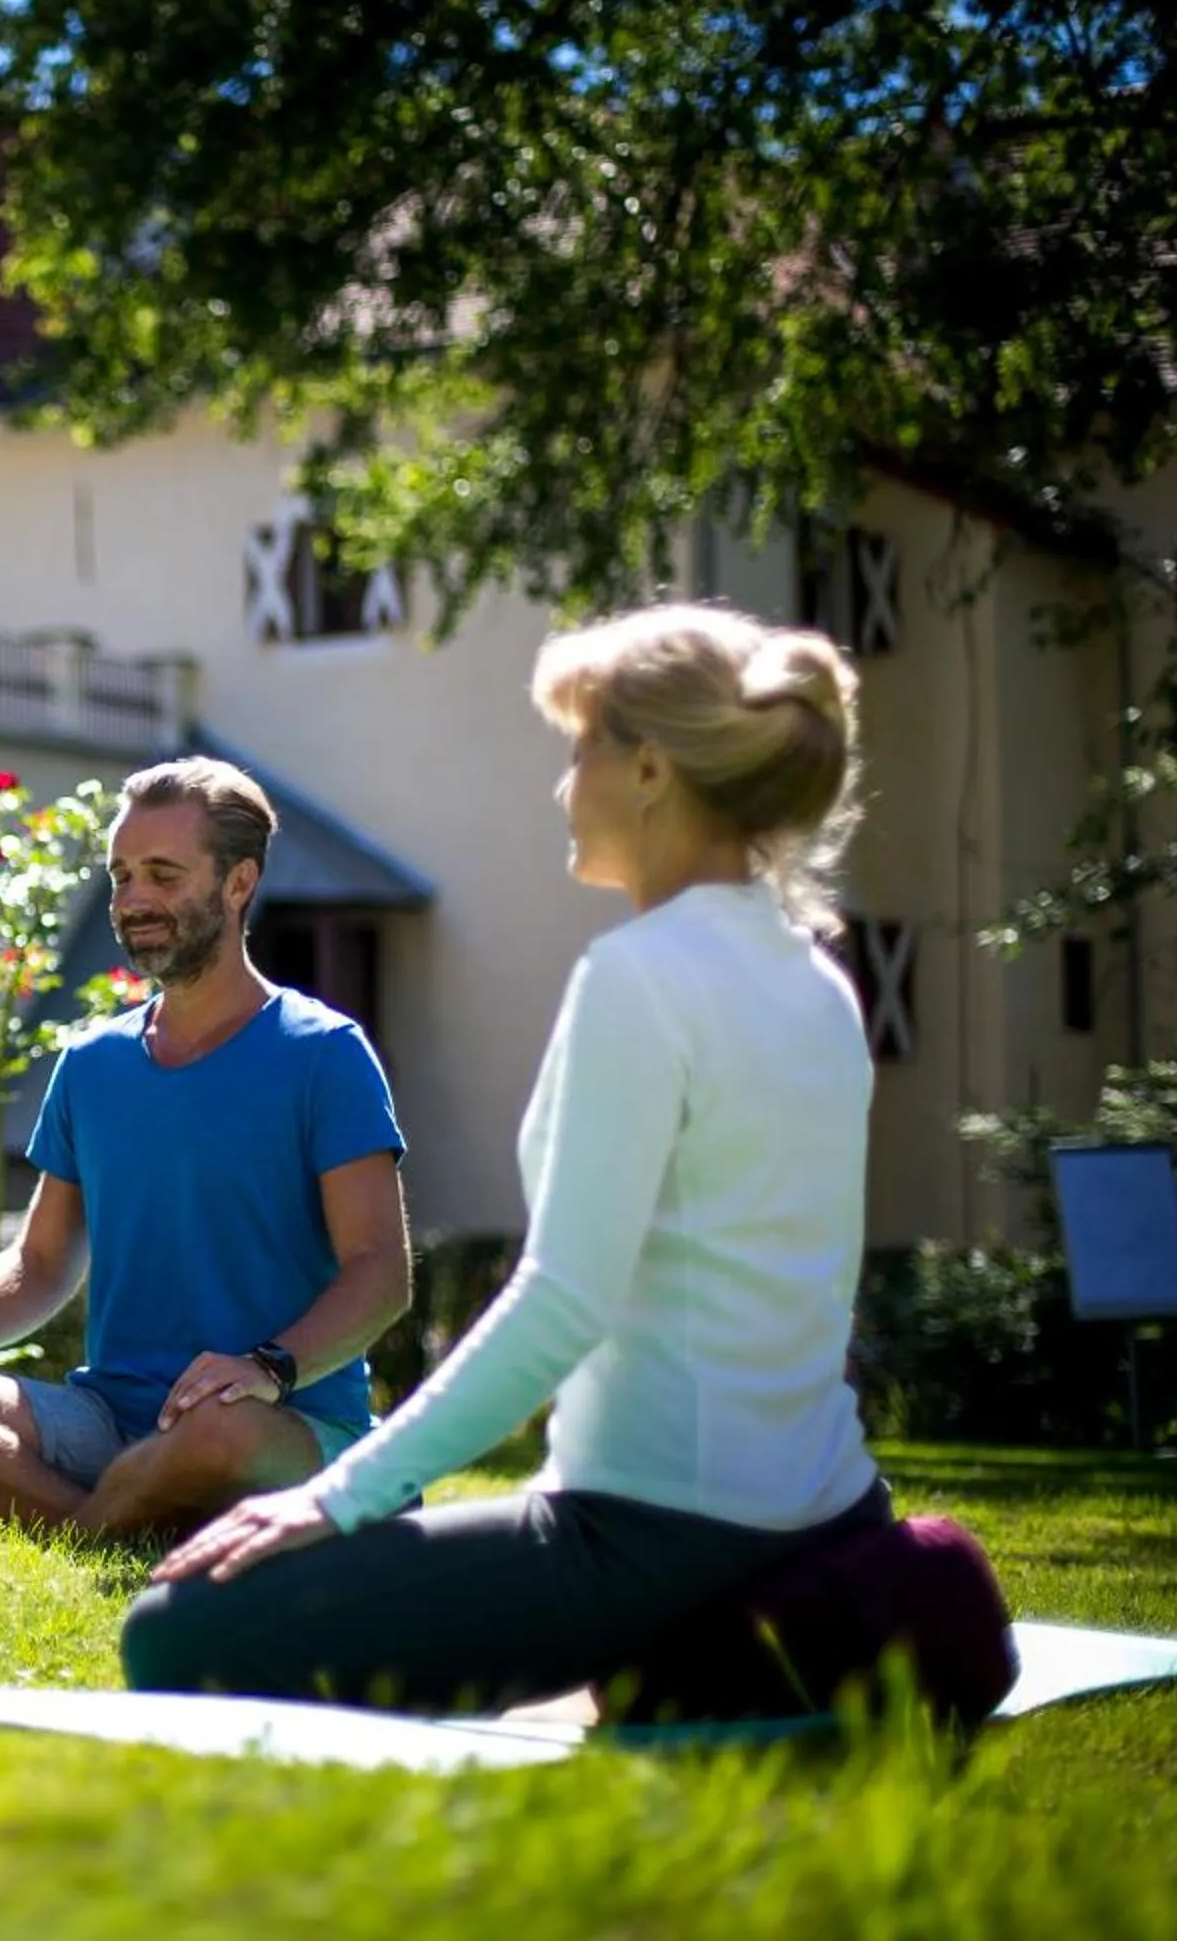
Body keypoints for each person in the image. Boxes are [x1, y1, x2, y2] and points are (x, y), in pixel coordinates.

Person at [122, 603, 890, 1711]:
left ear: (650, 770)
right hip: (828, 1512)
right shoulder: (815, 979)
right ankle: (703, 1657)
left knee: (174, 1630)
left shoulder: (641, 975)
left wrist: (337, 1498)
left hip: (646, 1536)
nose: (563, 784)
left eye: (580, 750)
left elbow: (561, 1301)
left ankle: (674, 1650)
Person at [0, 759, 413, 1541]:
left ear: (237, 883)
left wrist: (267, 1368)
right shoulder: (93, 1065)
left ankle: (42, 1521)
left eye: (162, 874)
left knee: (216, 1435)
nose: (133, 901)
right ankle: (108, 1528)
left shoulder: (325, 1055)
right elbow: (41, 1263)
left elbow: (380, 1275)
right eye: (121, 876)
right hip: (106, 1422)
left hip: (272, 1424)